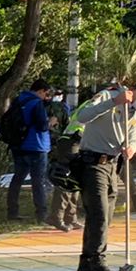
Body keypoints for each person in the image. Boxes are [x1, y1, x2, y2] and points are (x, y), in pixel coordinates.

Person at [71, 76, 136, 271]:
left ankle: (86, 262)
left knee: (104, 216)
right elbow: (82, 116)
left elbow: (133, 136)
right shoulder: (109, 96)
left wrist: (131, 148)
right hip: (92, 163)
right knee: (99, 213)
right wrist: (114, 102)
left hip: (113, 165)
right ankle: (98, 262)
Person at [6, 81, 53, 222]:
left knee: (17, 179)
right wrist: (51, 122)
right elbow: (42, 126)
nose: (46, 97)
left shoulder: (19, 100)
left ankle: (12, 212)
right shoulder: (36, 103)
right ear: (41, 91)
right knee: (38, 181)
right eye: (46, 93)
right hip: (36, 146)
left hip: (19, 146)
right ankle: (41, 214)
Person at [45, 91, 80, 231]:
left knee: (75, 181)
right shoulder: (101, 106)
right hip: (72, 142)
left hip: (75, 142)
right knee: (67, 180)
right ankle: (56, 217)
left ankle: (70, 217)